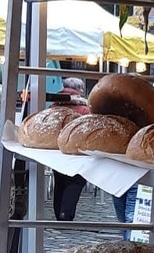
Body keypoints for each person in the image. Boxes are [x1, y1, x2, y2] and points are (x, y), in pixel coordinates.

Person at [50, 77, 90, 221]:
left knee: (59, 181)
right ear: (79, 90)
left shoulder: (54, 106)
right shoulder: (84, 110)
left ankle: (58, 213)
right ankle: (66, 214)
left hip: (56, 151)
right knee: (76, 181)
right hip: (76, 152)